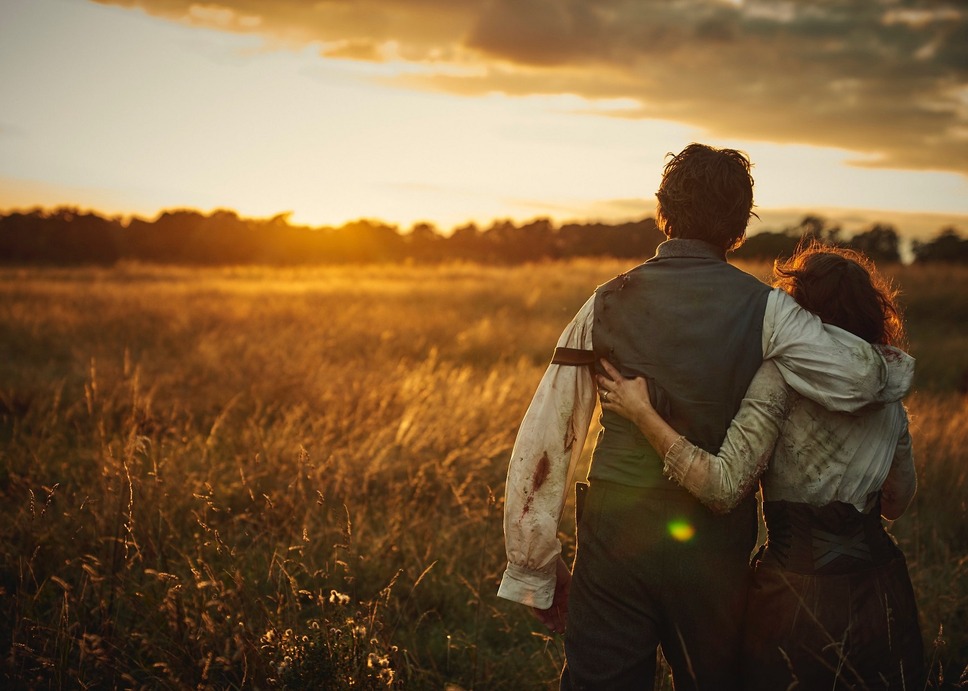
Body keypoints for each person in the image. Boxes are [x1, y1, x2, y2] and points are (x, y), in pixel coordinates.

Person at [496, 143, 914, 690]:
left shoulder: (603, 302)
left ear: (663, 212)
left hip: (615, 538)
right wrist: (898, 369)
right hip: (715, 547)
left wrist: (535, 565)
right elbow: (860, 378)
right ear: (739, 227)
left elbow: (549, 437)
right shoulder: (768, 309)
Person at [596, 244, 923, 690]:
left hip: (795, 600)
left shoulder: (780, 376)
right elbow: (897, 503)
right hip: (883, 592)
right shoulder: (890, 386)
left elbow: (722, 487)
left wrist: (642, 414)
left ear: (801, 313)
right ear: (873, 311)